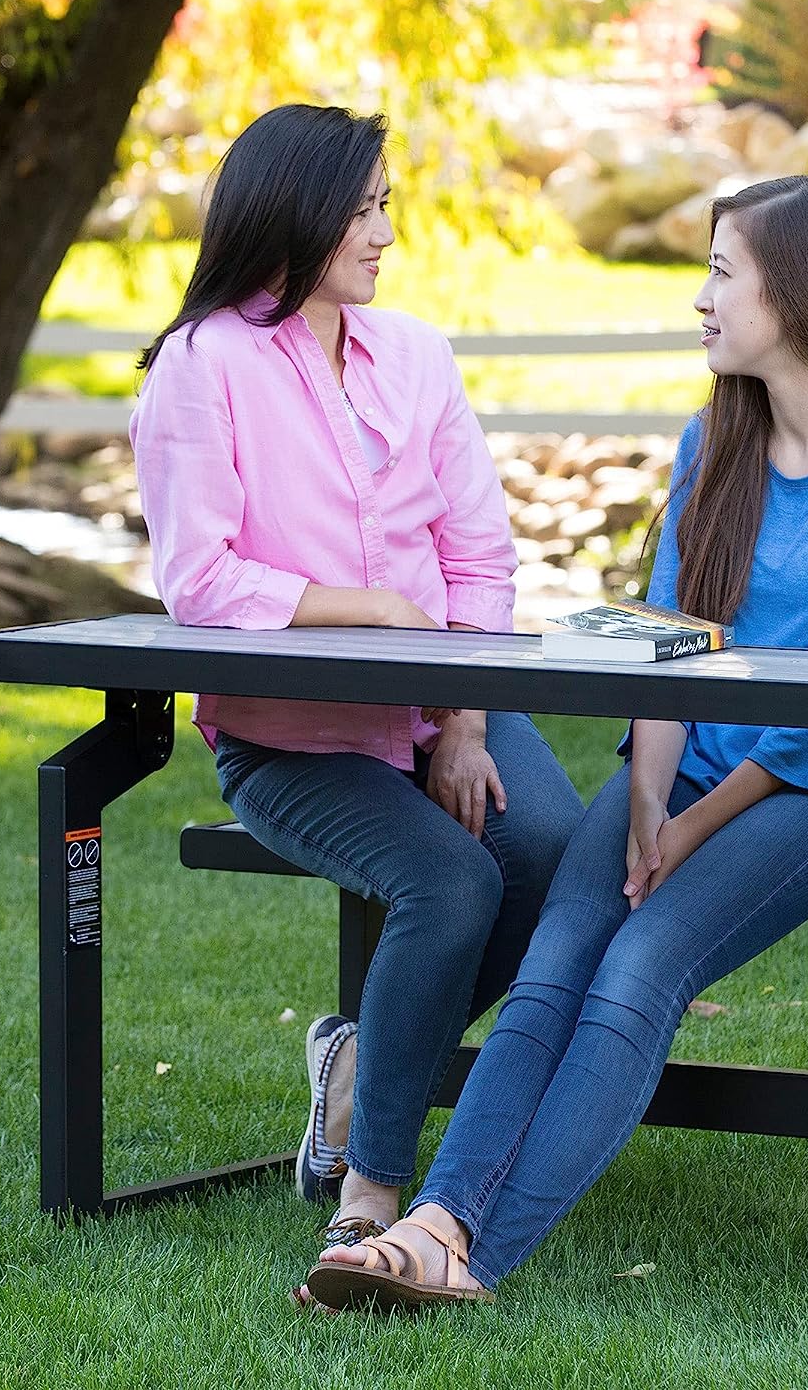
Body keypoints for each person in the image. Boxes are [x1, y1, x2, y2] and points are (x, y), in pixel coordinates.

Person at [302, 173, 808, 1312]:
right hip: (693, 763)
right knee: (555, 963)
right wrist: (652, 794)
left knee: (638, 966)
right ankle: (434, 1222)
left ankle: (471, 1249)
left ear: (803, 295)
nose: (701, 300)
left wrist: (693, 826)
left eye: (723, 274)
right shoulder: (713, 438)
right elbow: (666, 644)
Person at [128, 103, 584, 1253]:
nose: (386, 232)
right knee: (452, 882)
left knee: (553, 865)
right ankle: (371, 1189)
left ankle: (360, 1066)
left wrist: (466, 721)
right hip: (288, 741)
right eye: (368, 207)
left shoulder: (416, 354)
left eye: (387, 205)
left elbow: (480, 557)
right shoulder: (202, 363)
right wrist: (370, 606)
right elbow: (199, 577)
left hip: (439, 709)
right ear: (300, 213)